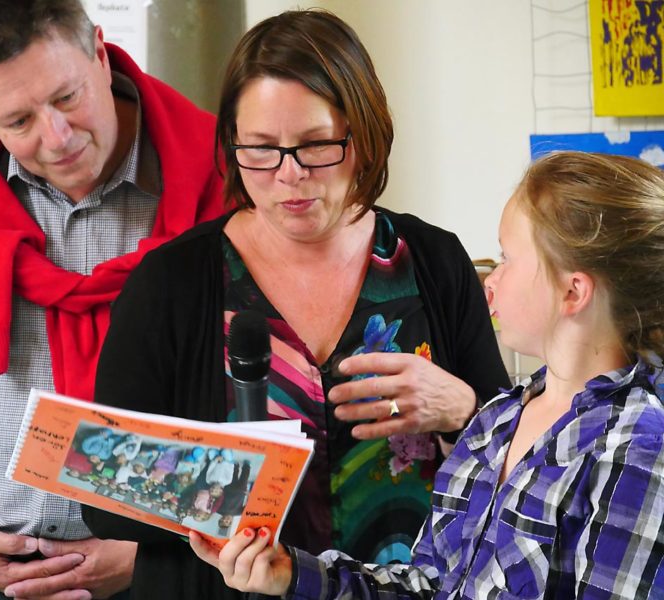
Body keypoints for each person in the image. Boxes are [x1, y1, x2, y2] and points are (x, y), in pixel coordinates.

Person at [82, 9, 508, 600]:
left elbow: (520, 469)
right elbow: (103, 503)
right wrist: (222, 491)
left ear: (363, 136)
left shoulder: (434, 262)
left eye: (314, 146)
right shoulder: (170, 282)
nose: (288, 176)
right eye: (259, 148)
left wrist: (462, 408)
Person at [0, 0, 225, 598]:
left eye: (67, 98)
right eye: (18, 121)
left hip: (174, 571)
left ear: (102, 56)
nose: (55, 139)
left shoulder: (214, 174)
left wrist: (153, 548)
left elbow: (266, 391)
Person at [190, 150, 664, 599]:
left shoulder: (638, 450)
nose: (491, 280)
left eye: (506, 258)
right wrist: (291, 573)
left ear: (572, 291)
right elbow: (429, 586)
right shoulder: (498, 420)